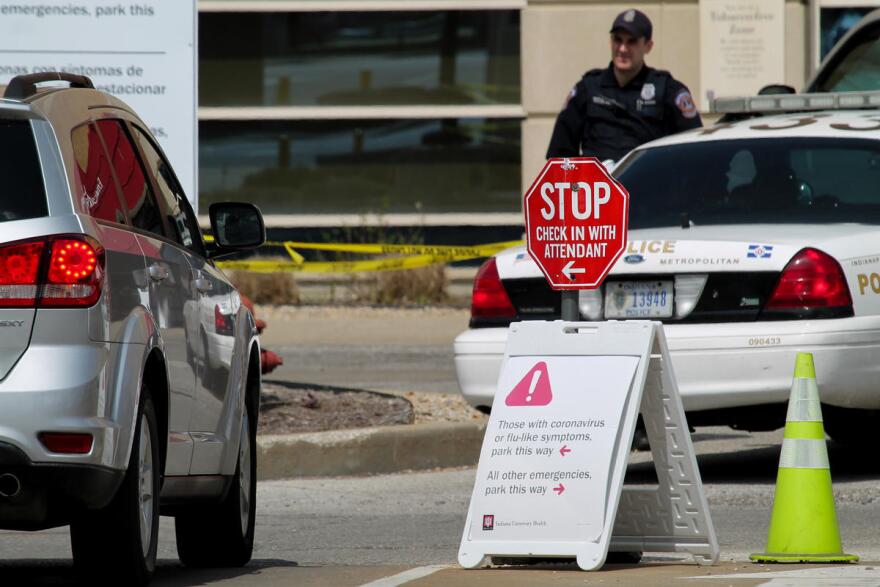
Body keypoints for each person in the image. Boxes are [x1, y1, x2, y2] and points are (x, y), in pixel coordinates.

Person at [546, 8, 702, 163]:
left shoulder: (667, 90)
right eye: (617, 40)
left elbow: (694, 151)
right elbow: (560, 155)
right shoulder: (588, 89)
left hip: (646, 184)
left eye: (631, 41)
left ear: (648, 46)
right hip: (598, 185)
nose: (622, 49)